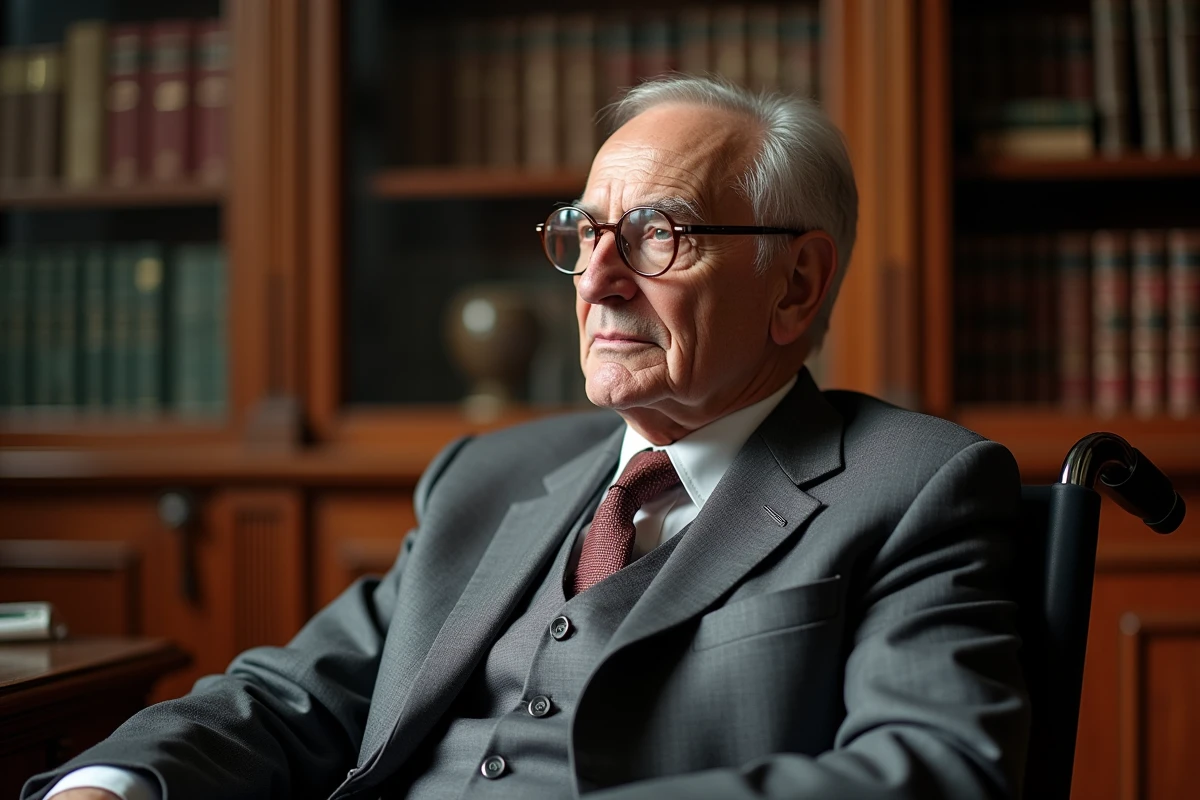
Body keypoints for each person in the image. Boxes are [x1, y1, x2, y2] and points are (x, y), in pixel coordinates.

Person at [28, 74, 1029, 800]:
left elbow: (934, 765)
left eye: (659, 233)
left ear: (797, 284)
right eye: (585, 233)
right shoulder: (489, 474)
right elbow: (295, 693)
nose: (595, 279)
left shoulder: (914, 484)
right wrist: (116, 782)